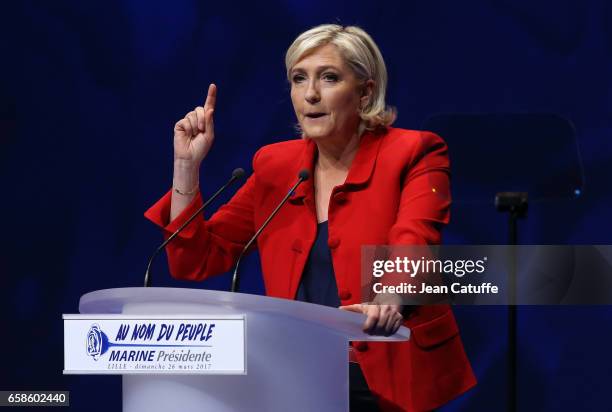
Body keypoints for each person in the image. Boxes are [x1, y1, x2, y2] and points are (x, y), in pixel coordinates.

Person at [145, 24, 476, 412]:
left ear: (366, 92)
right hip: (298, 375)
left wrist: (390, 298)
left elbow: (415, 237)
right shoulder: (276, 165)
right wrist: (186, 167)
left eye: (329, 78)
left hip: (389, 375)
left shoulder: (414, 151)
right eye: (298, 79)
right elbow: (196, 260)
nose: (311, 94)